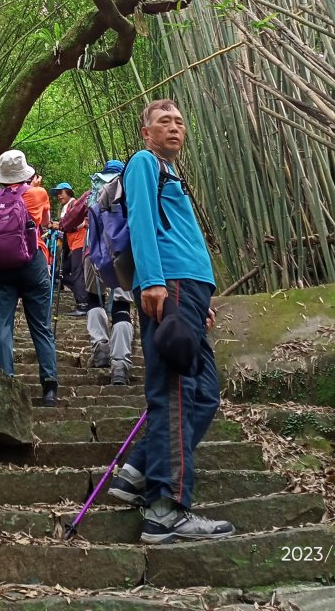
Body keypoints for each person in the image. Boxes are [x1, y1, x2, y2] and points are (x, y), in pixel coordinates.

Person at [107, 100, 235, 544]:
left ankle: (138, 469)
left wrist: (199, 304)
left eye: (180, 121)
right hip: (171, 284)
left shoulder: (172, 172)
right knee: (177, 394)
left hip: (190, 292)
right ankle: (167, 509)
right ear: (146, 132)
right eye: (164, 121)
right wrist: (155, 281)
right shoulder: (143, 163)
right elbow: (142, 219)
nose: (175, 127)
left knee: (205, 394)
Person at [0, 150, 59, 406]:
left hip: (0, 267)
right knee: (41, 325)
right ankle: (49, 387)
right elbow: (46, 223)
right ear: (24, 172)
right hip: (32, 264)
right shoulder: (38, 194)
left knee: (2, 326)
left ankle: (4, 385)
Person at [83, 159, 135, 385]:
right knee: (122, 308)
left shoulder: (93, 192)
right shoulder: (130, 191)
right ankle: (120, 365)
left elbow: (69, 221)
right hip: (124, 258)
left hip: (93, 256)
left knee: (94, 299)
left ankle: (100, 346)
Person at [50, 182, 89, 316]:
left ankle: (83, 304)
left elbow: (82, 223)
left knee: (77, 272)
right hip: (73, 245)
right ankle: (84, 294)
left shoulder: (75, 204)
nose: (59, 196)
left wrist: (60, 226)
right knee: (60, 273)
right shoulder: (66, 207)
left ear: (69, 192)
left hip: (80, 243)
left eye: (61, 192)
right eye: (57, 194)